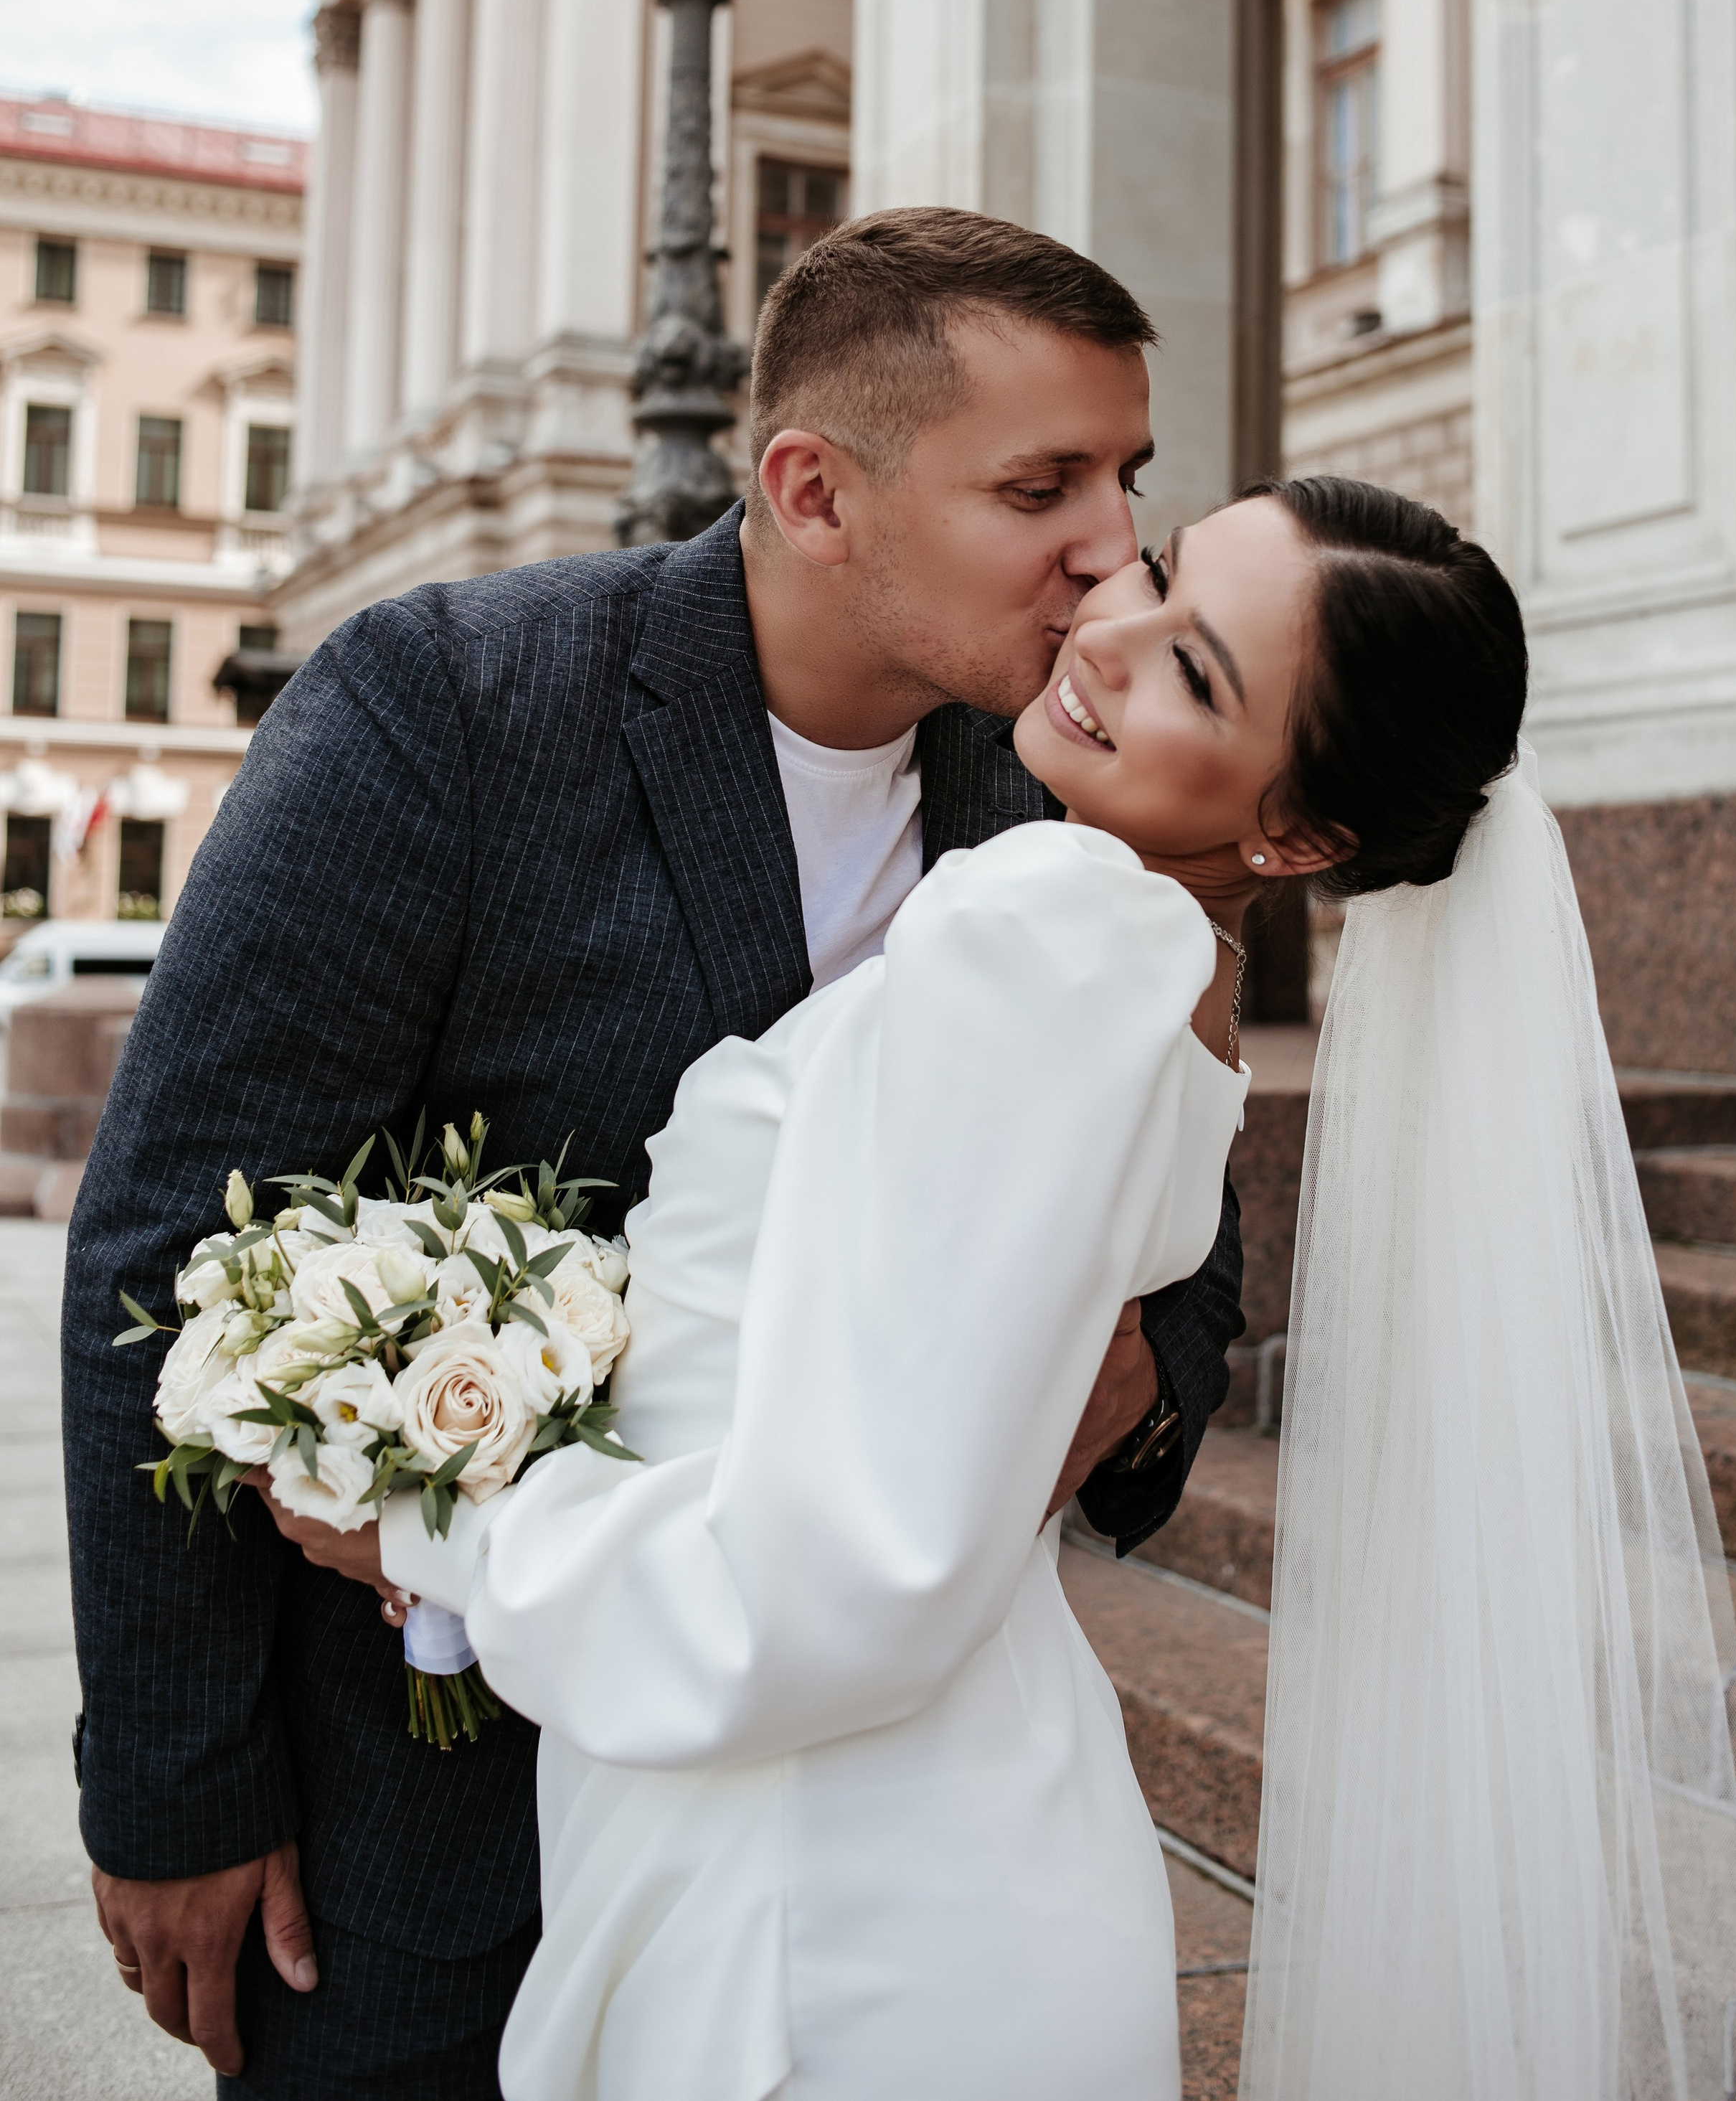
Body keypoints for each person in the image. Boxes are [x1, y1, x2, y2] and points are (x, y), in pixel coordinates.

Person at [65, 210, 1252, 2099]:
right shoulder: (446, 703)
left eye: (1129, 476)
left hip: (854, 1846)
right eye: (1042, 487)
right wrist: (174, 1785)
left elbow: (1181, 1227)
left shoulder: (1063, 782)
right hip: (431, 1843)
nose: (1113, 546)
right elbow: (169, 1237)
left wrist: (1122, 1388)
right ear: (812, 490)